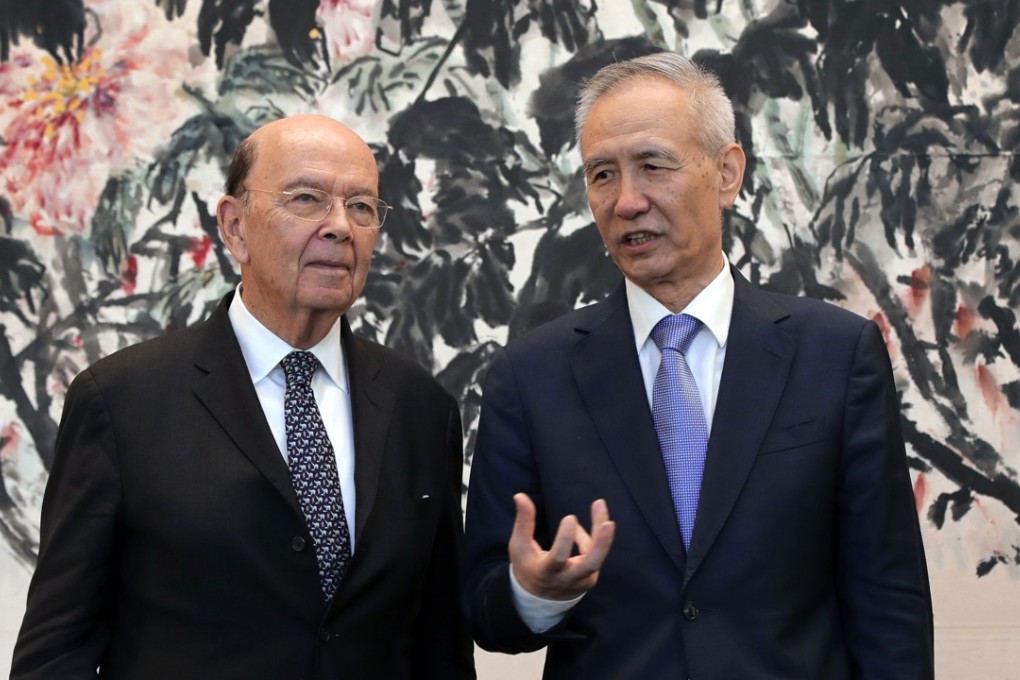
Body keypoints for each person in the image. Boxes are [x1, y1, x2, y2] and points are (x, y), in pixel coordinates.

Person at [462, 52, 934, 678]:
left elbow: (888, 597)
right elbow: (484, 609)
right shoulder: (529, 376)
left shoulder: (836, 354)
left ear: (727, 172)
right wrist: (534, 594)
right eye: (602, 174)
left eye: (653, 166)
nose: (627, 201)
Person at [12, 114, 476, 679]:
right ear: (234, 227)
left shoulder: (421, 409)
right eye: (307, 199)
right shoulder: (120, 402)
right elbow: (57, 650)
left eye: (361, 207)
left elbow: (440, 644)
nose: (339, 227)